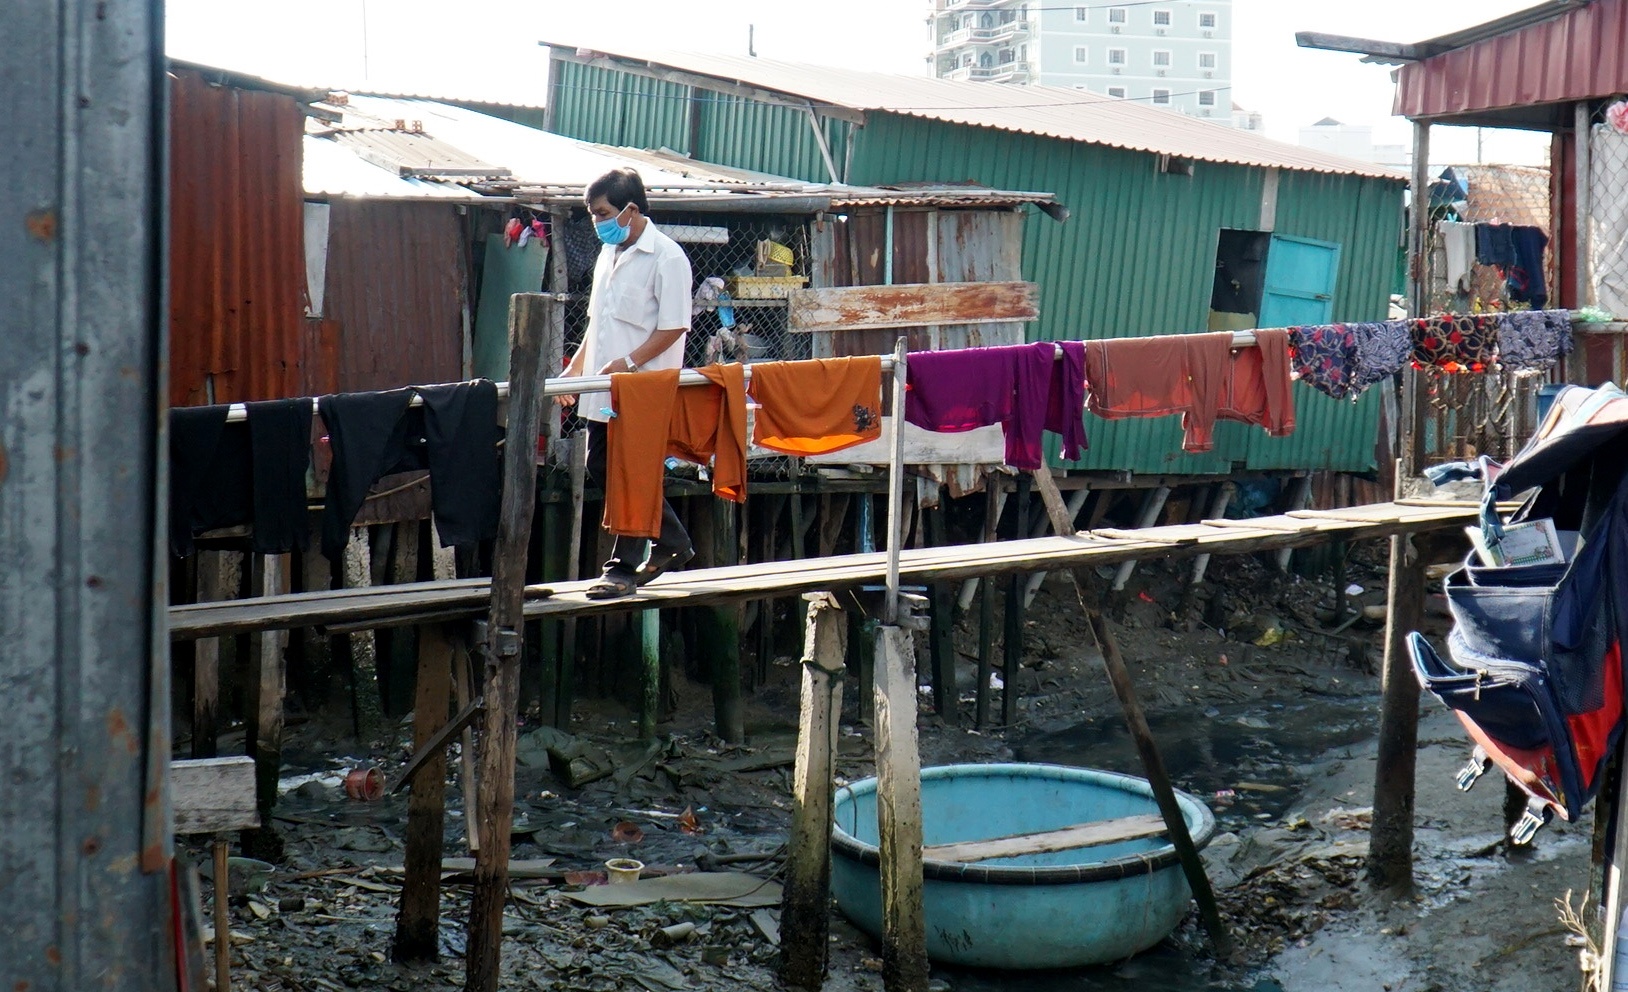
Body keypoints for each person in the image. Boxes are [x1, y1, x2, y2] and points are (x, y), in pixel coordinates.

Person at [558, 167, 695, 599]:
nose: (597, 222)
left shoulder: (668, 257)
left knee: (629, 471)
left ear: (631, 209)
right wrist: (574, 370)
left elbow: (675, 327)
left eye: (602, 212)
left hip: (644, 388)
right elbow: (597, 322)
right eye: (593, 213)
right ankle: (670, 541)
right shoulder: (608, 255)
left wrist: (630, 362)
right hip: (604, 387)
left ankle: (622, 567)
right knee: (602, 465)